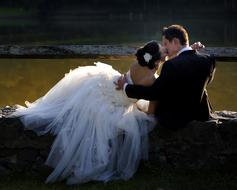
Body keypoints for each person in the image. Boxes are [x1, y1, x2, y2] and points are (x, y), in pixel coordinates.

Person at [11, 41, 164, 184]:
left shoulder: (136, 65)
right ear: (157, 61)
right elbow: (149, 105)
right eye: (162, 53)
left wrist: (124, 82)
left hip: (110, 85)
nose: (164, 54)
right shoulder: (153, 80)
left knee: (79, 99)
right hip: (116, 102)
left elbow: (127, 80)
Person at [116, 25, 216, 130]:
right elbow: (202, 82)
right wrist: (190, 50)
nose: (165, 48)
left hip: (173, 118)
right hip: (199, 114)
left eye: (166, 43)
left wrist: (125, 87)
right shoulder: (208, 60)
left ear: (175, 42)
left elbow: (154, 93)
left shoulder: (171, 65)